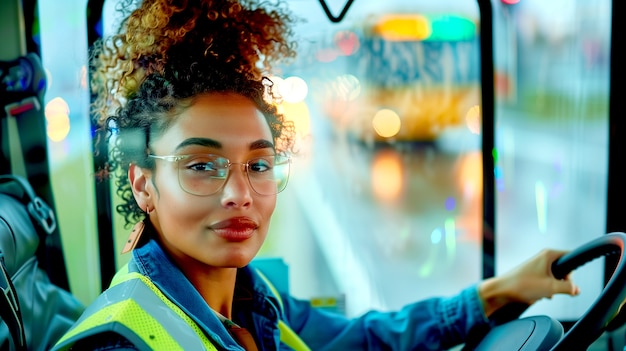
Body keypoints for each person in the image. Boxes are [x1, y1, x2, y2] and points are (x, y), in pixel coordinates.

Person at [51, 0, 580, 350]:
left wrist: (498, 292)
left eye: (257, 165)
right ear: (144, 183)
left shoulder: (255, 302)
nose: (241, 194)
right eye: (202, 167)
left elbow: (362, 339)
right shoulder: (120, 341)